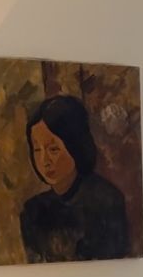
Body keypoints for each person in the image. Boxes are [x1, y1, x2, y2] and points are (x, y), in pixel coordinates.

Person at [20, 95, 130, 263]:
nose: (44, 160)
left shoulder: (107, 201)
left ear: (75, 146)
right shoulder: (33, 211)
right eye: (37, 150)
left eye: (53, 149)